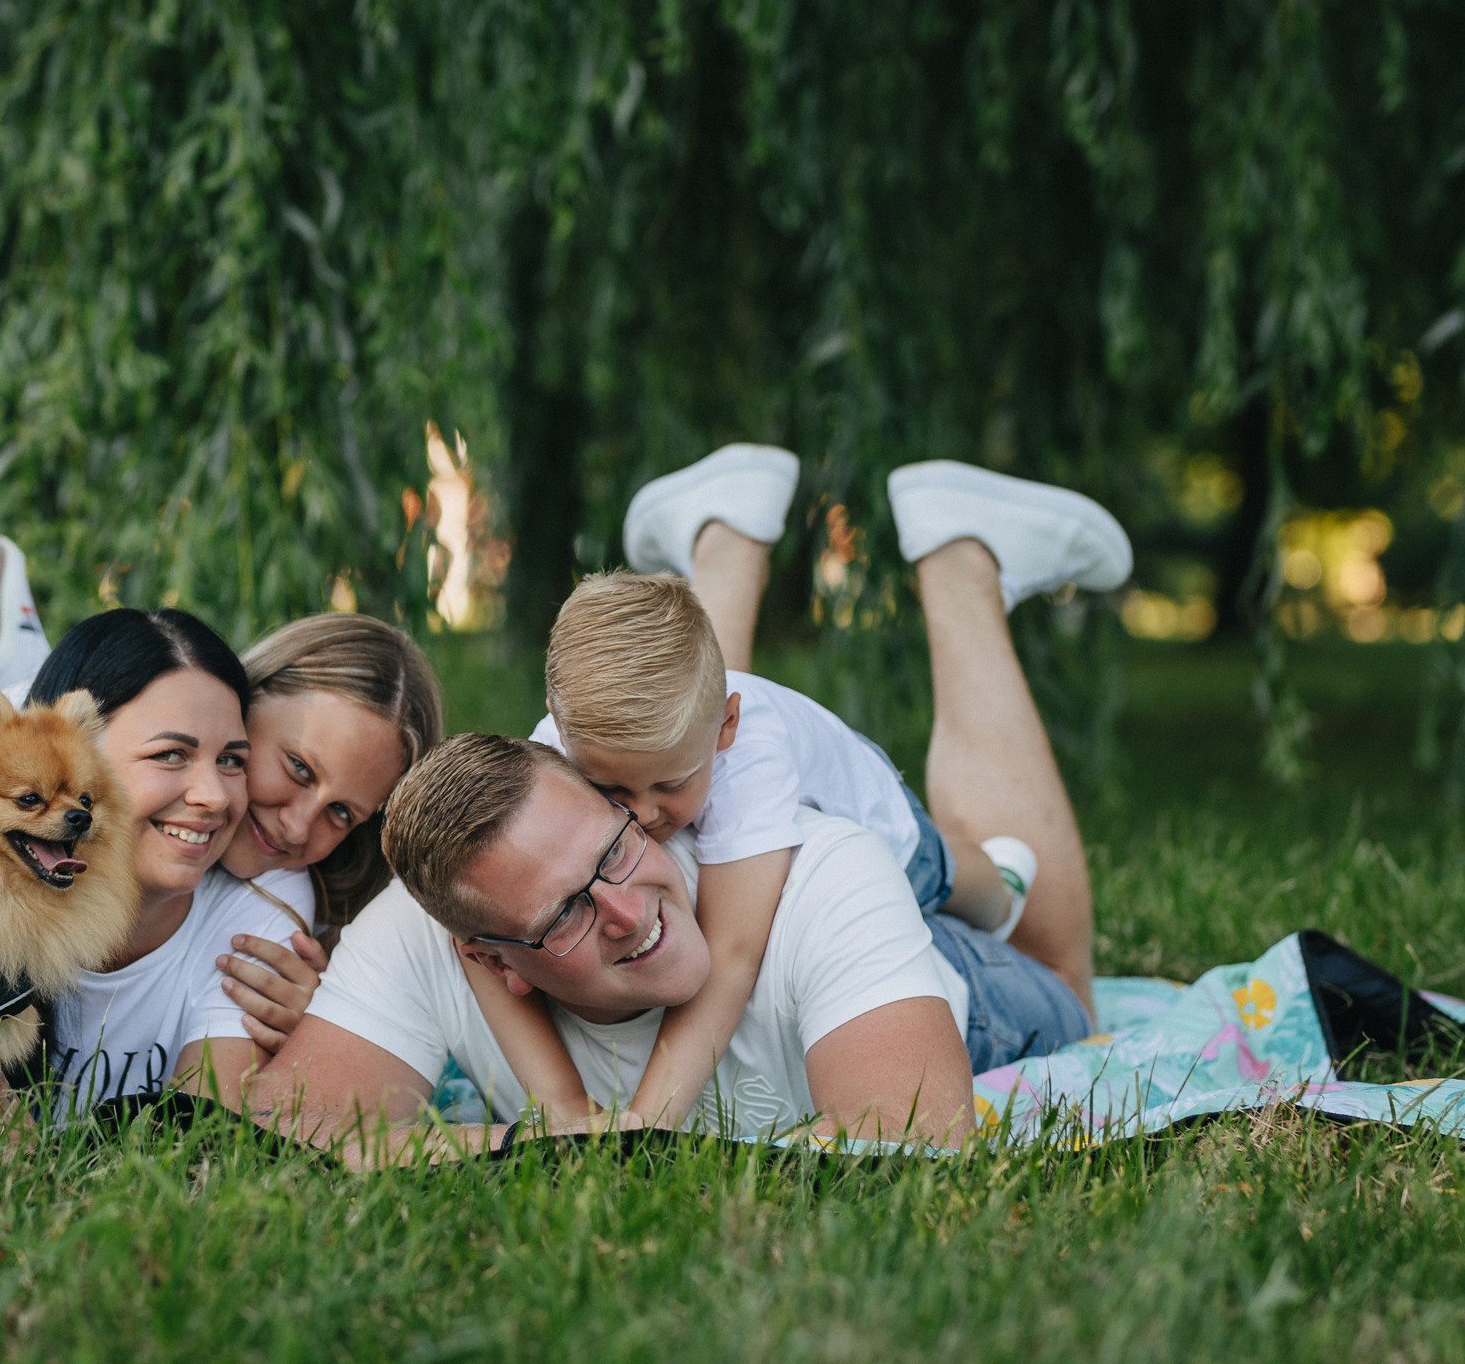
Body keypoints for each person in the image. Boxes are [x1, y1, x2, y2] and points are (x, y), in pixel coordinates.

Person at [244, 459, 1124, 1156]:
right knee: (666, 733)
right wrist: (541, 1131)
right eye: (563, 916)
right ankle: (726, 544)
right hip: (682, 740)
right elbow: (284, 1135)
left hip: (936, 927)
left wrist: (643, 1132)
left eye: (615, 852)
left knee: (1045, 959)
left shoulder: (806, 848)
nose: (627, 912)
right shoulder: (535, 812)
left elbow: (913, 1133)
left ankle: (963, 566)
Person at [0, 432, 444, 1103]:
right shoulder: (144, 730)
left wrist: (322, 1027)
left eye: (342, 814)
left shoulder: (272, 900)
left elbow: (206, 1124)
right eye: (295, 768)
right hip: (54, 760)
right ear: (251, 702)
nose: (298, 826)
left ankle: (2, 648)